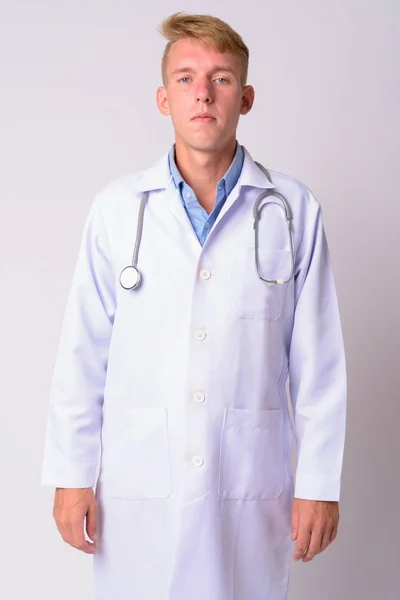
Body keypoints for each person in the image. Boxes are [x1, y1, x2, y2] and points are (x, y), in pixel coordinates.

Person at [41, 11, 347, 600]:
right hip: (138, 487)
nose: (203, 93)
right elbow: (82, 353)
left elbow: (319, 364)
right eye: (185, 78)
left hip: (248, 485)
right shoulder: (117, 208)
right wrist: (70, 475)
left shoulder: (292, 209)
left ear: (246, 96)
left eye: (221, 78)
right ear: (163, 98)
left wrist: (319, 483)